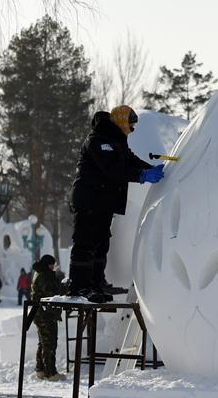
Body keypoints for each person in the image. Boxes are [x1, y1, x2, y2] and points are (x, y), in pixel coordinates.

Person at [67, 105, 164, 302]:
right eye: (131, 125)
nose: (132, 129)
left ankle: (95, 283)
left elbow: (130, 160)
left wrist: (151, 168)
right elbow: (112, 169)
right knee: (85, 242)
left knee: (101, 242)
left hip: (104, 202)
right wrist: (143, 176)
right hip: (89, 199)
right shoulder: (97, 140)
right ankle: (79, 287)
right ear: (120, 121)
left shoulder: (117, 141)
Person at [31, 254, 65, 380]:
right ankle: (50, 372)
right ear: (48, 264)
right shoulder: (45, 275)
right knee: (50, 343)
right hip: (45, 314)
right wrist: (60, 284)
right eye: (52, 264)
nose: (53, 267)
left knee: (43, 342)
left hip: (40, 313)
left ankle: (41, 370)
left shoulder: (39, 273)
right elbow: (51, 292)